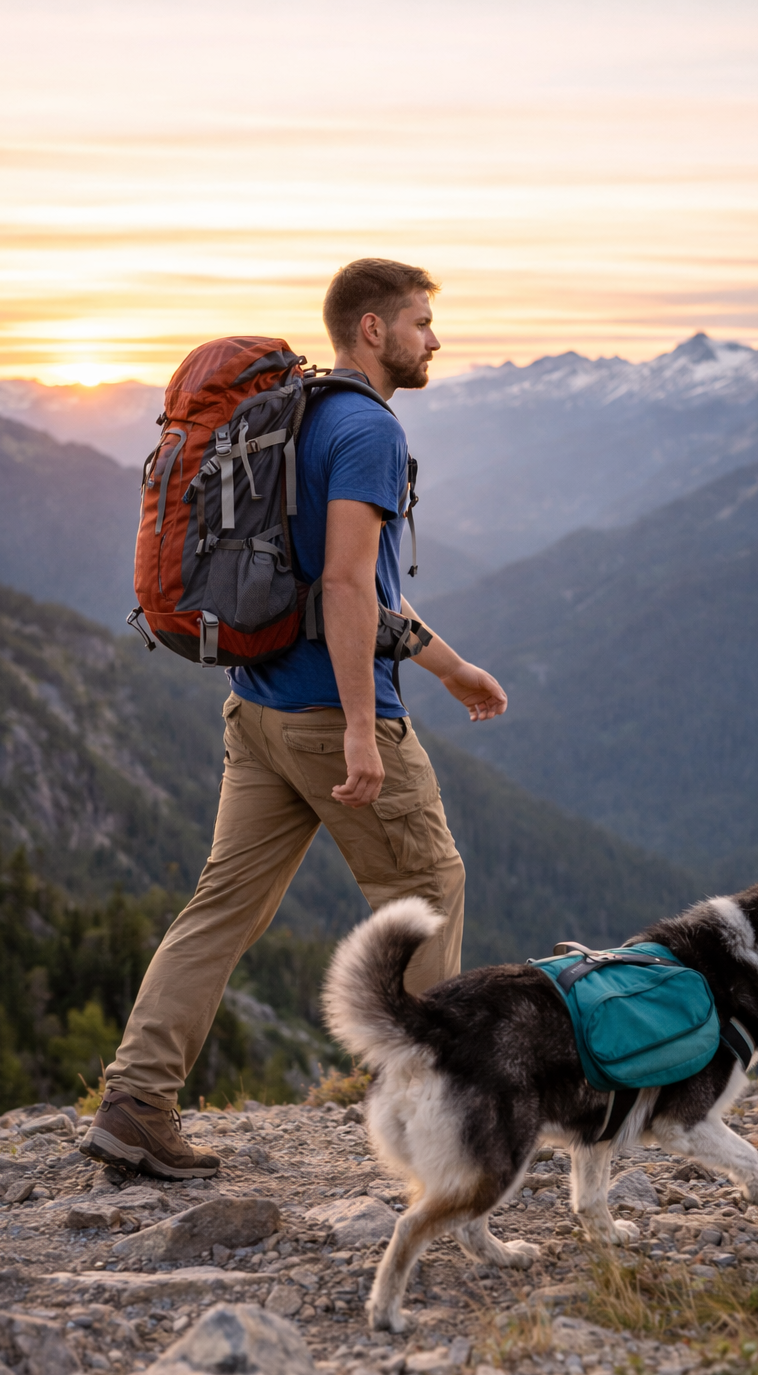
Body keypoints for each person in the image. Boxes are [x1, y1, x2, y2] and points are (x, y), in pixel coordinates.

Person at [82, 258, 507, 1180]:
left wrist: (450, 667)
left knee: (218, 912)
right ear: (371, 331)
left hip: (259, 711)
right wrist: (363, 724)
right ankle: (445, 1130)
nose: (435, 339)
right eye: (421, 323)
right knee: (430, 896)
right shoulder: (370, 435)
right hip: (332, 718)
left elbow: (336, 591)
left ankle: (135, 1103)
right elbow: (350, 585)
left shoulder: (297, 418)